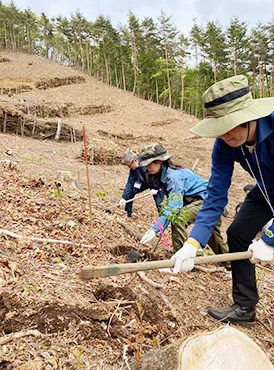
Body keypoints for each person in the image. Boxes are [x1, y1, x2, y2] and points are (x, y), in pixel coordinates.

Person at [171, 75, 274, 327]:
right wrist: (193, 243)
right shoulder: (224, 145)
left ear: (249, 118)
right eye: (219, 130)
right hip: (266, 190)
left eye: (229, 127)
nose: (225, 136)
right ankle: (245, 307)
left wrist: (271, 239)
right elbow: (215, 196)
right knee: (237, 233)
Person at [139, 143, 229, 257]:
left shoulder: (173, 176)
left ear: (159, 161)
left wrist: (156, 228)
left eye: (149, 164)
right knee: (212, 235)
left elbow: (174, 206)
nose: (147, 167)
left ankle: (180, 259)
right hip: (198, 202)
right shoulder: (163, 175)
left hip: (207, 202)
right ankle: (229, 266)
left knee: (178, 218)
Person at [119, 151, 164, 217]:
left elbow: (156, 175)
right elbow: (130, 182)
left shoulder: (146, 162)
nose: (129, 167)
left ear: (135, 160)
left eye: (129, 165)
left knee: (159, 202)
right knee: (131, 191)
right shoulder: (133, 169)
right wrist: (124, 197)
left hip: (156, 184)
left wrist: (156, 187)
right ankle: (128, 213)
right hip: (142, 182)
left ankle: (163, 219)